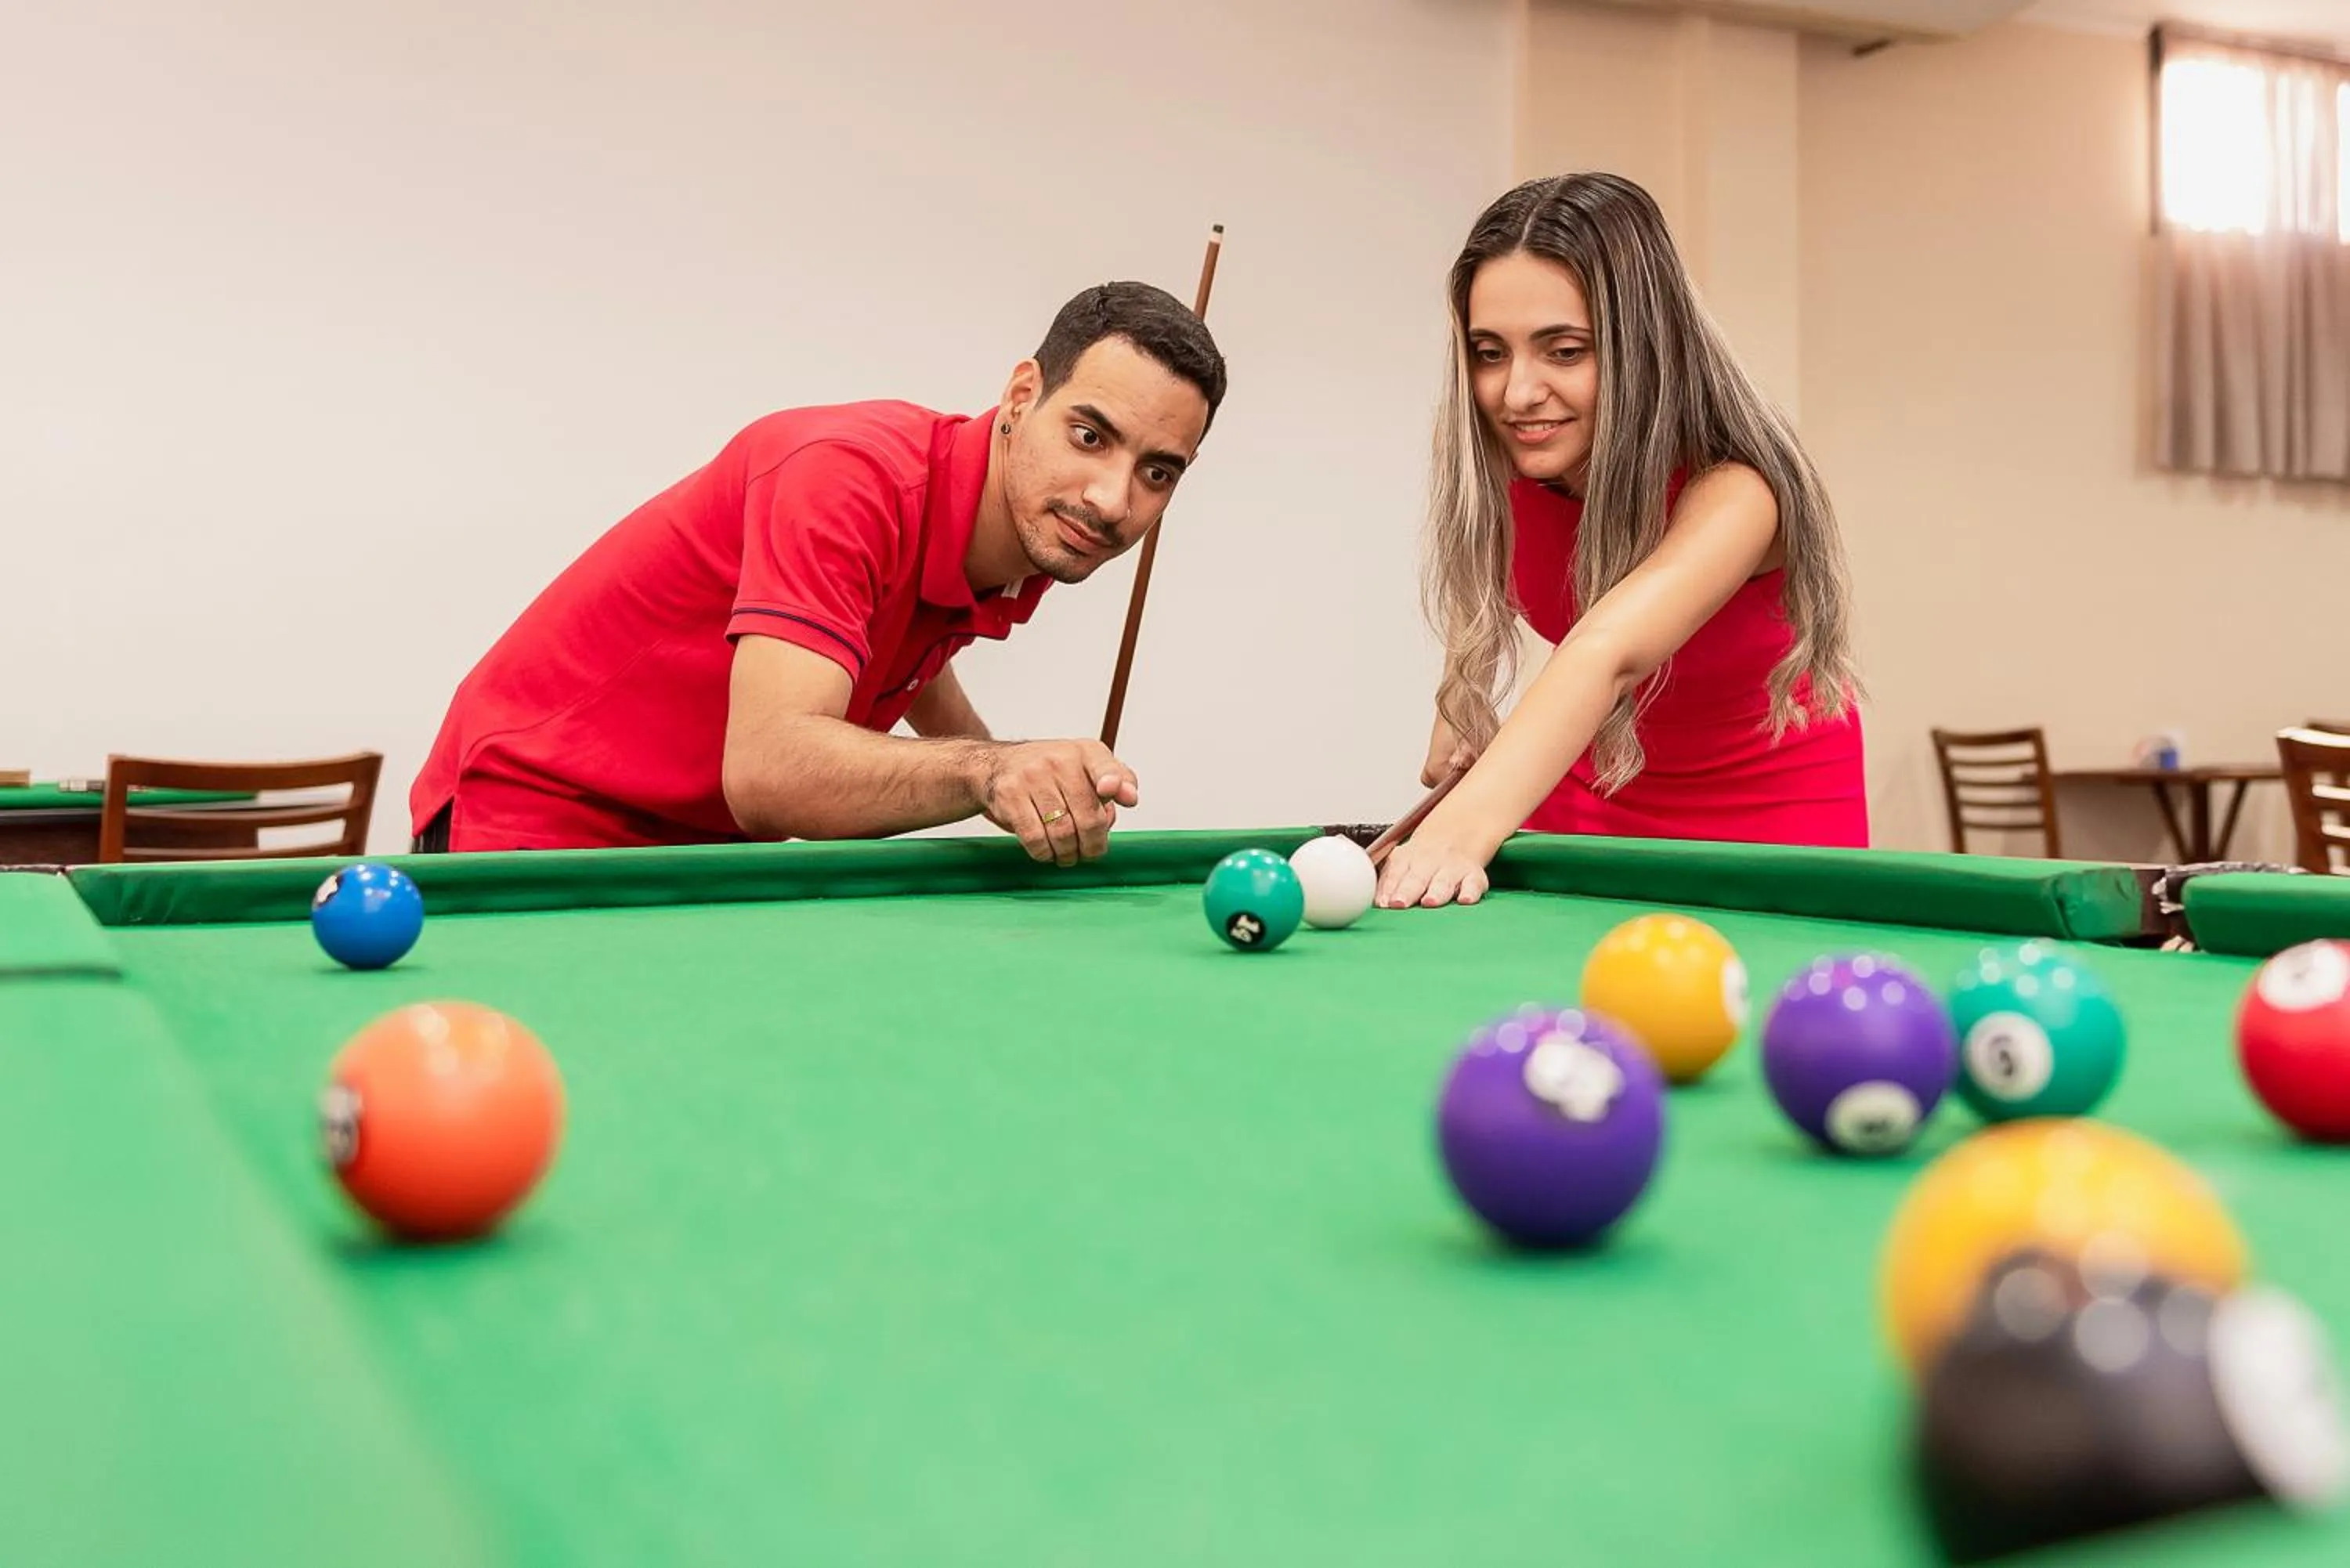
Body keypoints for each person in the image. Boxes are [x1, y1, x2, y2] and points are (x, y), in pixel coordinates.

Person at [408, 282, 1225, 858]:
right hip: (536, 815)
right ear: (1021, 396)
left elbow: (900, 643)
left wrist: (1019, 778)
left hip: (694, 849)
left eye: (1159, 471)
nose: (1113, 499)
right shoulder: (847, 478)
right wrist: (993, 767)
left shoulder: (1031, 528)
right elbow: (767, 773)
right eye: (1091, 435)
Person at [1377, 172, 1865, 911]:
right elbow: (1501, 569)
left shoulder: (1738, 490)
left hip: (1771, 823)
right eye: (1490, 352)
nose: (1517, 393)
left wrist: (1460, 827)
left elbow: (1608, 650)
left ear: (1644, 346)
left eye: (1565, 351)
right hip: (1592, 793)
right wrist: (1460, 695)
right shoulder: (1507, 470)